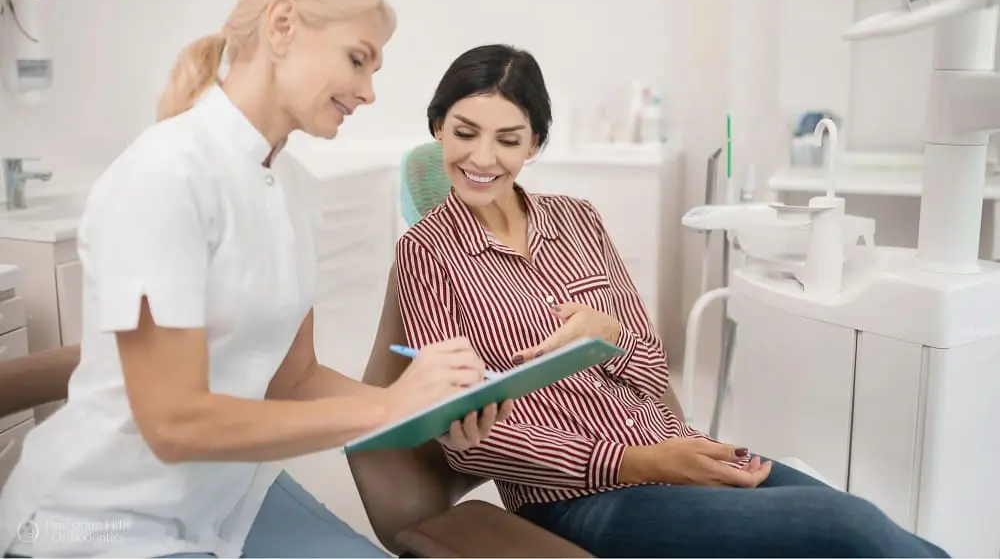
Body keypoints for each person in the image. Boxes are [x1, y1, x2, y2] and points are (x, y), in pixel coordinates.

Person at [0, 0, 512, 559]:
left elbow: (293, 379)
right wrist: (385, 404)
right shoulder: (165, 173)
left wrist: (432, 408)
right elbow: (173, 424)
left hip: (230, 494)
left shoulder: (296, 190)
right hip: (107, 518)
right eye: (357, 60)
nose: (370, 92)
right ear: (282, 26)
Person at [392, 43, 950, 558]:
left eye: (508, 140)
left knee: (867, 524)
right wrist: (648, 464)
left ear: (534, 144)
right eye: (465, 132)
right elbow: (470, 446)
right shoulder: (425, 255)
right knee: (838, 529)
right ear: (438, 126)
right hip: (575, 496)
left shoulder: (578, 219)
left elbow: (653, 367)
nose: (482, 158)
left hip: (675, 445)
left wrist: (609, 340)